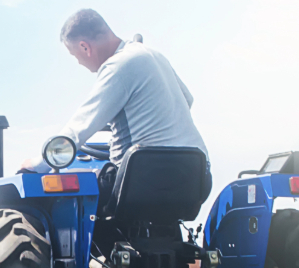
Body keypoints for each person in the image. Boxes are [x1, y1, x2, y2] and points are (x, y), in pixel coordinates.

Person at [22, 9, 207, 173]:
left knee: (82, 184)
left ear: (85, 47)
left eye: (74, 55)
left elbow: (79, 128)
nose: (78, 62)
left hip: (146, 177)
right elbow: (187, 99)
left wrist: (39, 163)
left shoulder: (117, 67)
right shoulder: (153, 55)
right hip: (197, 172)